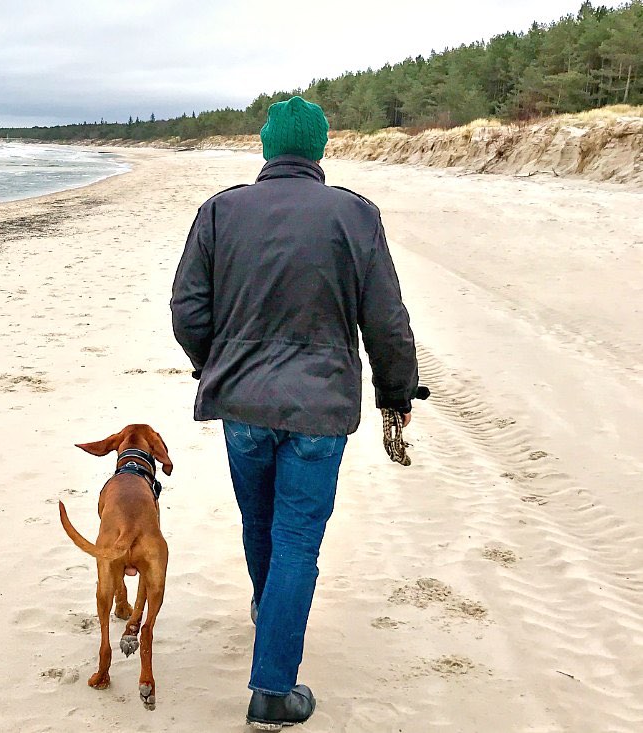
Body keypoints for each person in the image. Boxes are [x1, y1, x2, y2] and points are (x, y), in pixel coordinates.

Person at [170, 96, 419, 728]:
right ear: (318, 149)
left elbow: (186, 307)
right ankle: (273, 690)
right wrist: (396, 396)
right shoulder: (354, 215)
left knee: (262, 527)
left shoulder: (222, 210)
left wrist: (214, 363)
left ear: (267, 146)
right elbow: (386, 321)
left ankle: (270, 619)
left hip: (243, 404)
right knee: (296, 541)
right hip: (320, 408)